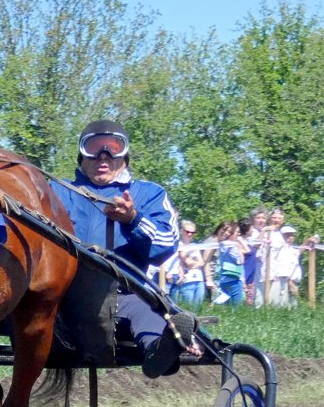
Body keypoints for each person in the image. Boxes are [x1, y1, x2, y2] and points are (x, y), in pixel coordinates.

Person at [48, 119, 198, 378]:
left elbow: (166, 245)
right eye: (93, 148)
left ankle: (159, 351)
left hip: (123, 296)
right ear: (82, 155)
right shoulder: (56, 190)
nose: (102, 156)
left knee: (146, 307)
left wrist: (133, 220)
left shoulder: (149, 194)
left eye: (113, 148)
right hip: (60, 298)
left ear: (124, 156)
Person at [210, 221, 246, 306]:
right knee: (235, 306)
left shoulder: (222, 244)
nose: (239, 234)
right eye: (237, 232)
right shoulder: (231, 246)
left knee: (223, 304)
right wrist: (240, 249)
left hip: (222, 279)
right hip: (233, 279)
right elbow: (240, 261)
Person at [172, 219, 206, 306]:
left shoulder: (194, 246)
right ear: (182, 231)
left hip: (199, 280)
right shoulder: (179, 245)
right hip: (187, 281)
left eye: (193, 232)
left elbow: (202, 263)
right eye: (187, 232)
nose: (190, 234)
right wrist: (195, 262)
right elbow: (187, 262)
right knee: (188, 308)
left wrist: (193, 262)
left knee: (198, 307)